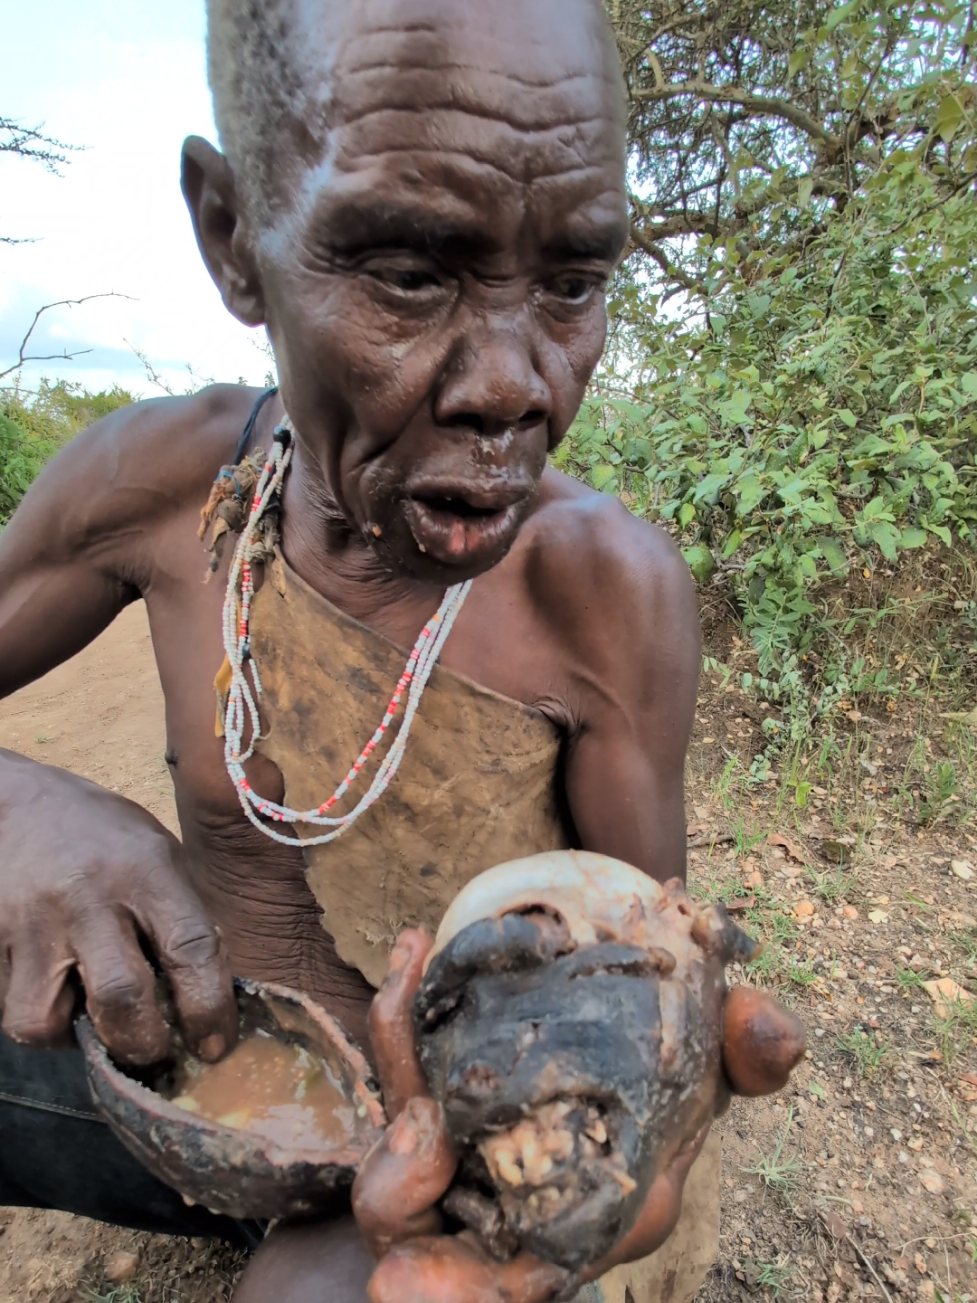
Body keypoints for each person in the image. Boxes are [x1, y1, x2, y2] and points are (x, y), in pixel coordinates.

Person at [0, 1, 803, 1299]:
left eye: (574, 283)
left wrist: (560, 1178)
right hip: (194, 1086)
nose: (515, 384)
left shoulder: (606, 593)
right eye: (411, 275)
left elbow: (635, 998)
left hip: (429, 1145)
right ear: (233, 235)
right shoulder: (153, 486)